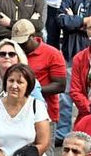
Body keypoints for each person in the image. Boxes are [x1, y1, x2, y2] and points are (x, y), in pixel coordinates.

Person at [13, 19, 67, 147]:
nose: (20, 46)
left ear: (33, 37)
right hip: (17, 113)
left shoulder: (52, 53)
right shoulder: (14, 52)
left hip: (45, 113)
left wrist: (31, 89)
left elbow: (60, 85)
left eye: (23, 43)